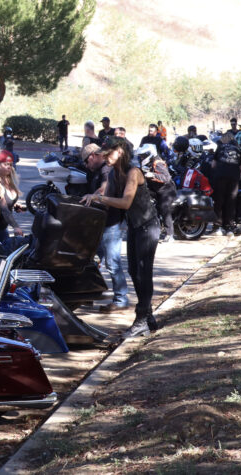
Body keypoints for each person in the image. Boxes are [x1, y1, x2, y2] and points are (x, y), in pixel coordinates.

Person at [83, 138, 159, 338]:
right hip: (134, 227)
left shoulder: (134, 172)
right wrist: (85, 202)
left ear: (120, 151)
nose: (105, 156)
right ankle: (148, 317)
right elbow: (106, 199)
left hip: (148, 226)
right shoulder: (114, 173)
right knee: (134, 272)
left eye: (108, 152)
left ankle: (142, 319)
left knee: (143, 272)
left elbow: (125, 203)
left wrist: (99, 198)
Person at [82, 141, 130, 312]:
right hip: (102, 223)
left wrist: (92, 196)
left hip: (112, 223)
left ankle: (121, 299)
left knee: (112, 262)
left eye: (87, 162)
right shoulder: (101, 171)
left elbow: (103, 191)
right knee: (94, 258)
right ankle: (92, 291)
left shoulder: (106, 170)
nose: (87, 166)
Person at [209, 131, 241, 236]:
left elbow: (213, 165)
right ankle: (229, 227)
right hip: (233, 177)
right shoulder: (239, 149)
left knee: (219, 200)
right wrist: (238, 178)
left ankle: (217, 227)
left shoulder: (220, 148)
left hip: (220, 176)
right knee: (231, 201)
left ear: (224, 139)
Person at [0, 150, 24, 244]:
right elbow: (3, 208)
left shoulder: (7, 179)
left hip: (3, 227)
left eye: (11, 164)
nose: (9, 167)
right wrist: (16, 226)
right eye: (6, 164)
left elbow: (7, 201)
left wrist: (15, 204)